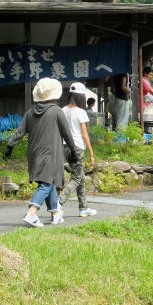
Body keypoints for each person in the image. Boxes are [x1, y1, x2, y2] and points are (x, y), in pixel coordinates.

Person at [5, 78, 78, 228]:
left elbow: (20, 132)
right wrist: (74, 151)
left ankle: (55, 214)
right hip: (50, 154)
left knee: (49, 182)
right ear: (53, 95)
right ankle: (31, 214)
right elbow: (67, 134)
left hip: (34, 153)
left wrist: (10, 146)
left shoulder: (30, 112)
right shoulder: (56, 111)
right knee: (46, 183)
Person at [59, 82, 98, 217]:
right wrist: (92, 153)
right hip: (77, 148)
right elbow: (84, 134)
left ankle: (83, 208)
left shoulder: (62, 110)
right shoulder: (81, 112)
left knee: (80, 177)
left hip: (65, 147)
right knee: (77, 178)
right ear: (81, 96)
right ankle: (59, 202)